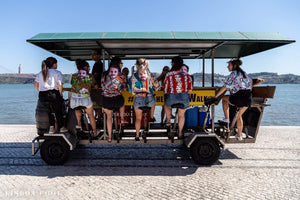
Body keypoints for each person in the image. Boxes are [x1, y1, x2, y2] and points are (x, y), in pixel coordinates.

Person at [213, 58, 252, 141]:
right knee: (238, 116)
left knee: (223, 98)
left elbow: (225, 86)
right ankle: (239, 135)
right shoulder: (244, 73)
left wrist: (216, 96)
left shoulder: (233, 73)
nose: (227, 67)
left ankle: (227, 118)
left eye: (229, 65)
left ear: (234, 66)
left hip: (239, 97)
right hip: (248, 98)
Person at [128, 58, 160, 141]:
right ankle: (152, 117)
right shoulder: (150, 75)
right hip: (149, 98)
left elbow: (130, 90)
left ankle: (137, 135)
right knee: (153, 102)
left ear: (137, 65)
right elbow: (157, 86)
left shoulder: (133, 77)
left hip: (138, 99)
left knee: (138, 118)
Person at [34, 57, 67, 134]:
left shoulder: (41, 73)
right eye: (56, 63)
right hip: (53, 94)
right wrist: (60, 93)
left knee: (49, 111)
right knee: (58, 111)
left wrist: (41, 90)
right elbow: (59, 84)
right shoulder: (57, 73)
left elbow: (35, 85)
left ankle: (51, 128)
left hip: (42, 95)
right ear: (54, 64)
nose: (57, 65)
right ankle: (61, 127)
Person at [164, 56, 193, 139]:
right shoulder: (187, 75)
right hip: (184, 99)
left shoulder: (169, 74)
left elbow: (165, 90)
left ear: (173, 63)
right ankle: (180, 133)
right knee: (181, 115)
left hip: (171, 98)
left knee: (166, 105)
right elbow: (190, 90)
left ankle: (168, 120)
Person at [70, 60, 97, 137]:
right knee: (91, 115)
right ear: (84, 67)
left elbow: (72, 84)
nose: (89, 68)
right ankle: (95, 132)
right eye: (88, 66)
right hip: (85, 99)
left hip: (74, 100)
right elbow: (95, 86)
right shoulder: (90, 76)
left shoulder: (74, 76)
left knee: (78, 112)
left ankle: (79, 127)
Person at [101, 65, 126, 142]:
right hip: (117, 100)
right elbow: (124, 88)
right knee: (123, 102)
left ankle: (109, 137)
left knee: (109, 117)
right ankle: (122, 119)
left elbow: (102, 88)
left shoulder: (104, 75)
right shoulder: (120, 75)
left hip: (106, 101)